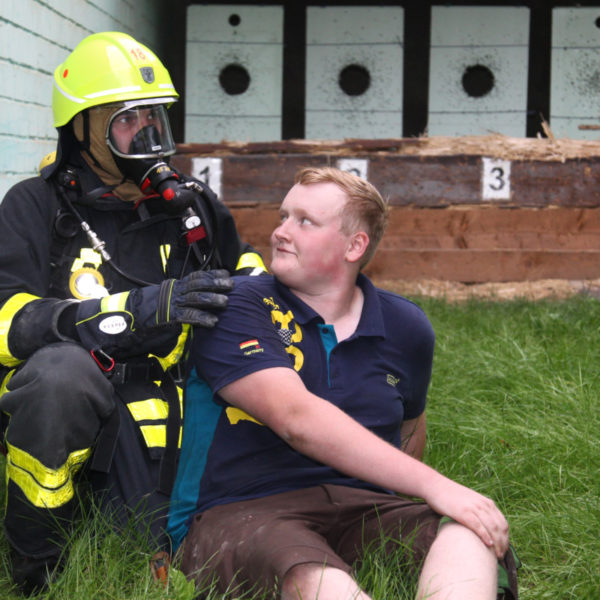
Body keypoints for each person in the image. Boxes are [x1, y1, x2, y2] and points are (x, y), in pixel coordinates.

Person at [168, 166, 519, 600]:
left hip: (364, 511)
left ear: (355, 246)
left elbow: (409, 431)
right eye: (283, 216)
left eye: (305, 221)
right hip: (242, 512)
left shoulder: (405, 326)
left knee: (469, 532)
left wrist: (439, 502)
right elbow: (296, 419)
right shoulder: (236, 303)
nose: (280, 231)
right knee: (311, 574)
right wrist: (438, 486)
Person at [0, 31, 265, 594]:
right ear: (83, 128)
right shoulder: (34, 206)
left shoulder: (190, 208)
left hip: (174, 405)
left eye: (156, 120)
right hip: (84, 407)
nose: (148, 136)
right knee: (57, 377)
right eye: (128, 120)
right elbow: (6, 323)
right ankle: (36, 567)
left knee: (152, 540)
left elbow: (252, 282)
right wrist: (134, 311)